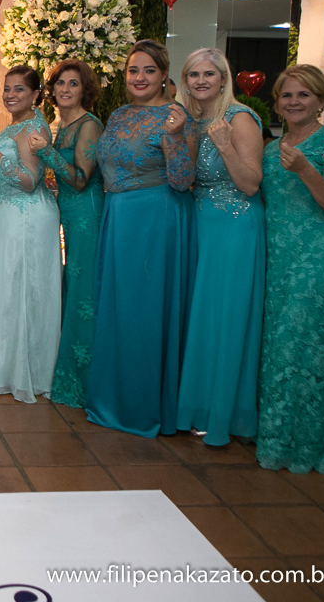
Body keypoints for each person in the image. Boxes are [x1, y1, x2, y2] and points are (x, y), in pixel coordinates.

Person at [87, 40, 198, 438]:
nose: (140, 77)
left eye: (149, 70)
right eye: (134, 70)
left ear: (164, 75)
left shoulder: (177, 117)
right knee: (117, 307)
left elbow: (183, 180)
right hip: (118, 217)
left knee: (144, 309)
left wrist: (174, 137)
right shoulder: (118, 114)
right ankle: (113, 398)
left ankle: (142, 405)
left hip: (155, 219)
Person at [257, 64, 324, 475]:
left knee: (308, 344)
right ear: (277, 103)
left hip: (321, 255)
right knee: (277, 344)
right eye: (287, 95)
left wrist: (304, 169)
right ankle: (275, 436)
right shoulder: (269, 150)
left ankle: (312, 446)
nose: (294, 102)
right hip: (278, 256)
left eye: (304, 95)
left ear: (321, 100)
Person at [176, 49, 264, 446]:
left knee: (224, 316)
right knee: (201, 315)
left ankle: (222, 411)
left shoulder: (239, 118)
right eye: (193, 74)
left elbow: (251, 184)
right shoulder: (191, 120)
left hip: (234, 227)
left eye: (209, 74)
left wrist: (226, 145)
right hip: (200, 224)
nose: (200, 81)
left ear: (224, 79)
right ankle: (194, 406)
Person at [0, 66, 60, 402]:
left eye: (19, 89)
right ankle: (4, 365)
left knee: (21, 289)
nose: (10, 95)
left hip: (27, 217)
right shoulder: (16, 125)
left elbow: (30, 181)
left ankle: (25, 372)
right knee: (8, 287)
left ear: (35, 94)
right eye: (7, 88)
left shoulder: (33, 127)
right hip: (9, 214)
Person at [37, 59, 105, 408]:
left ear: (85, 90)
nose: (65, 89)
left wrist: (46, 153)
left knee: (82, 292)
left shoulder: (88, 125)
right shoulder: (61, 125)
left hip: (85, 215)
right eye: (60, 83)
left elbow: (80, 179)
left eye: (73, 83)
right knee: (68, 286)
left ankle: (85, 381)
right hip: (66, 212)